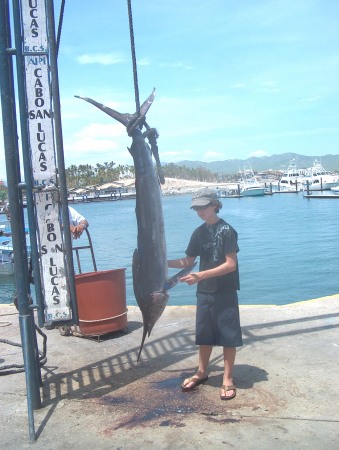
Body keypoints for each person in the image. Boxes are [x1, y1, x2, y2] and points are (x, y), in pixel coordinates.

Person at [168, 187, 242, 400]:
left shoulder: (227, 230)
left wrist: (201, 276)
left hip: (225, 291)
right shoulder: (198, 233)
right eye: (196, 208)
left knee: (229, 336)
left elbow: (230, 265)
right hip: (205, 292)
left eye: (203, 207)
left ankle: (227, 378)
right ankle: (202, 371)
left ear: (214, 205)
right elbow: (188, 262)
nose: (199, 211)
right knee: (204, 335)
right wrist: (160, 263)